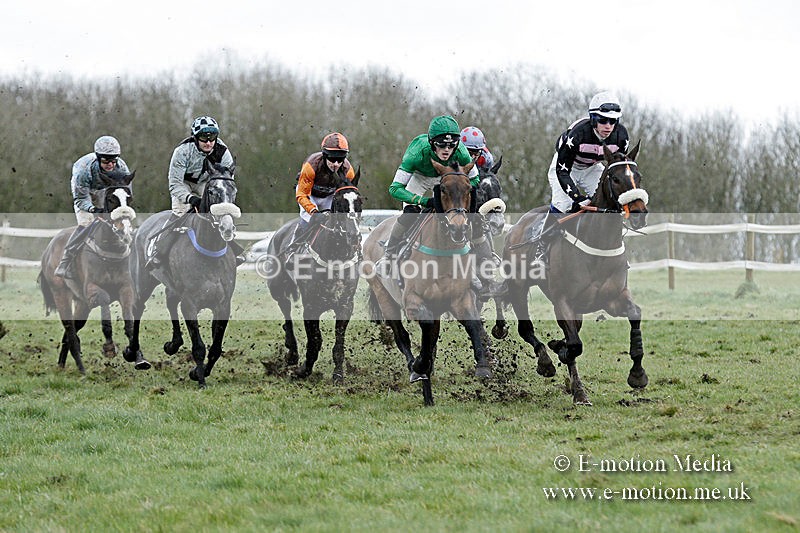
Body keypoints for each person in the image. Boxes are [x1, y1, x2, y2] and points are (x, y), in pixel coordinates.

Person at [383, 115, 504, 299]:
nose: (447, 150)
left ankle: (484, 263)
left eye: (451, 145)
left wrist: (460, 185)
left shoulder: (461, 152)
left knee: (470, 217)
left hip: (448, 178)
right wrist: (422, 201)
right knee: (410, 214)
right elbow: (394, 189)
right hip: (420, 179)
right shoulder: (416, 153)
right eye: (441, 145)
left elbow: (475, 179)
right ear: (432, 143)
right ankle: (390, 254)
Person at [534, 91, 630, 262]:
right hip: (565, 167)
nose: (608, 126)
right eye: (603, 120)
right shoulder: (577, 134)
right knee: (563, 203)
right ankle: (541, 248)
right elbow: (562, 171)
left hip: (592, 168)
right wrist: (576, 197)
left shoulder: (621, 137)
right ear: (593, 119)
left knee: (608, 200)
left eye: (613, 121)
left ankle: (612, 248)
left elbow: (617, 169)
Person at [146, 115, 243, 269]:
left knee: (220, 210)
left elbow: (227, 181)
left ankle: (232, 248)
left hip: (207, 183)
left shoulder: (223, 152)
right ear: (196, 137)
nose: (209, 142)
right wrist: (190, 199)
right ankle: (159, 252)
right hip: (183, 184)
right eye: (204, 138)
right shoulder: (182, 151)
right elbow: (175, 183)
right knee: (180, 213)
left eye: (212, 138)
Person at [54, 135, 130, 278]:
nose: (110, 164)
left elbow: (125, 193)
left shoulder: (122, 168)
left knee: (119, 220)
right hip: (84, 191)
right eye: (106, 160)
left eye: (113, 160)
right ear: (98, 158)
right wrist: (93, 209)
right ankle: (66, 261)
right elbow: (81, 198)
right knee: (87, 222)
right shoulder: (83, 170)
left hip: (105, 191)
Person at [287, 132, 357, 253]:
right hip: (309, 195)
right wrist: (314, 212)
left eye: (340, 159)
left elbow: (346, 197)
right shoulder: (311, 166)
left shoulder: (348, 171)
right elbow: (302, 195)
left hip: (330, 196)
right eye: (332, 158)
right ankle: (294, 248)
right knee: (309, 220)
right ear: (325, 155)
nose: (336, 164)